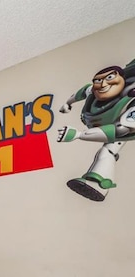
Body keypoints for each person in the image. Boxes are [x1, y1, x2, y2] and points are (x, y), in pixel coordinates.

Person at [57, 58, 135, 201]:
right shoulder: (93, 93)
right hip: (110, 127)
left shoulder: (130, 101)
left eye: (110, 78)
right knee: (106, 152)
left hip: (122, 128)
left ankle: (99, 183)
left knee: (108, 150)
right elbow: (81, 92)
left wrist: (79, 135)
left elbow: (118, 131)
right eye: (98, 81)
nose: (103, 84)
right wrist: (68, 103)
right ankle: (98, 184)